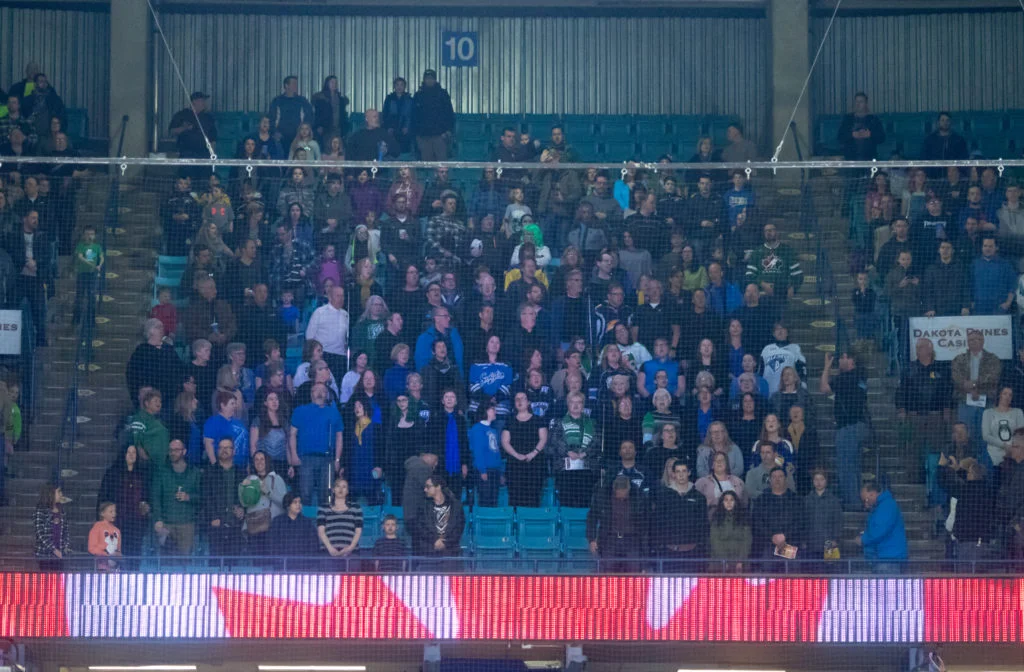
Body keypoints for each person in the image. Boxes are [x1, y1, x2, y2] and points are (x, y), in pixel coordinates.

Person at [819, 351, 868, 510]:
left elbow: (824, 388)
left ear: (852, 361)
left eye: (843, 357)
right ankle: (857, 500)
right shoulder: (859, 377)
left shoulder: (847, 378)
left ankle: (852, 502)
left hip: (848, 427)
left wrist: (826, 366)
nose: (840, 360)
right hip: (859, 425)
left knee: (846, 465)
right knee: (853, 465)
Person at [289, 383, 344, 508]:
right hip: (305, 458)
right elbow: (292, 434)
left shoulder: (334, 413)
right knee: (305, 493)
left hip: (328, 459)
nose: (319, 393)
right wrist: (293, 455)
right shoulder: (300, 411)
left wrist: (337, 459)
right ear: (311, 393)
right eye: (316, 390)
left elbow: (339, 436)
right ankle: (305, 525)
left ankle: (324, 525)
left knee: (327, 495)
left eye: (323, 391)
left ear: (327, 394)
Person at [937, 453, 994, 568]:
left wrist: (941, 467)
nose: (966, 474)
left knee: (967, 577)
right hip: (979, 540)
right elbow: (965, 483)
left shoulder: (966, 491)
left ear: (973, 474)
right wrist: (958, 469)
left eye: (968, 472)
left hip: (969, 542)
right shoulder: (986, 490)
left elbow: (945, 484)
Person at [651, 458, 708, 570]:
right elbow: (658, 522)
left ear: (689, 473)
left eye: (684, 471)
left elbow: (703, 523)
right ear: (673, 474)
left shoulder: (699, 497)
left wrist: (700, 546)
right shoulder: (663, 496)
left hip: (692, 553)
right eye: (678, 471)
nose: (681, 475)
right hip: (669, 553)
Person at [951, 330, 1002, 456]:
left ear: (983, 341)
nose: (974, 342)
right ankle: (966, 465)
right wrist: (970, 388)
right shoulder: (959, 359)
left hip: (986, 401)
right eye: (971, 340)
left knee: (986, 434)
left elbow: (993, 377)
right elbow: (956, 377)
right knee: (964, 435)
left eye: (977, 339)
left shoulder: (993, 359)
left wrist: (974, 386)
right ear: (967, 342)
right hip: (965, 401)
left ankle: (984, 467)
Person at [97, 444, 151, 563]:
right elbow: (103, 498)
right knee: (116, 557)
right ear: (123, 454)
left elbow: (147, 498)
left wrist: (146, 507)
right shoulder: (113, 473)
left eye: (134, 452)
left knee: (134, 556)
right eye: (128, 452)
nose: (131, 455)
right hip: (117, 523)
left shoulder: (142, 474)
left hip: (136, 525)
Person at [586, 475, 648, 572]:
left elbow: (645, 522)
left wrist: (644, 544)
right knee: (609, 569)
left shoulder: (638, 497)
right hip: (610, 539)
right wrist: (592, 539)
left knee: (634, 569)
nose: (622, 496)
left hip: (632, 539)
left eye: (625, 493)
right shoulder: (603, 497)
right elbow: (592, 518)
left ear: (628, 489)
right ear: (614, 490)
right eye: (619, 493)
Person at [151, 440, 201, 557]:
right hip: (166, 524)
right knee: (166, 562)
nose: (173, 453)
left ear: (184, 451)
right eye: (171, 450)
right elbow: (156, 497)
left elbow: (202, 497)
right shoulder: (161, 472)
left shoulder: (195, 472)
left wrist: (189, 497)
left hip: (187, 524)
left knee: (185, 563)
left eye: (176, 450)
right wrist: (158, 519)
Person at [125, 318, 184, 412]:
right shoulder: (141, 351)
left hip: (170, 395)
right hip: (151, 396)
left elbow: (180, 369)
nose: (162, 329)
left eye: (162, 327)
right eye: (158, 327)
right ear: (150, 331)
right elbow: (132, 374)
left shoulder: (168, 349)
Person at [502, 391, 548, 507]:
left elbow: (543, 438)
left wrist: (532, 454)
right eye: (517, 399)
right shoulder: (509, 420)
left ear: (529, 402)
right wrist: (517, 455)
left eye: (523, 398)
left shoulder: (538, 419)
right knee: (515, 499)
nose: (519, 401)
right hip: (515, 466)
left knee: (533, 498)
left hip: (535, 465)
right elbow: (505, 441)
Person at [201, 438, 246, 557]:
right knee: (216, 564)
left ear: (234, 451)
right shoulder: (209, 472)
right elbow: (206, 496)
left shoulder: (241, 472)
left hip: (235, 525)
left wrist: (242, 510)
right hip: (216, 524)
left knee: (234, 564)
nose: (224, 450)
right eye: (221, 447)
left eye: (227, 447)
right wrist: (213, 517)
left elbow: (246, 497)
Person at [752, 466, 804, 561]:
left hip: (790, 544)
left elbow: (800, 522)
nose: (777, 479)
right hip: (767, 545)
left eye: (780, 476)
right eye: (774, 477)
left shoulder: (796, 499)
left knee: (793, 572)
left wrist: (785, 536)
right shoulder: (761, 500)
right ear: (770, 479)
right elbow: (757, 522)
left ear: (785, 478)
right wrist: (772, 536)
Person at [857, 480, 908, 573]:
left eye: (866, 499)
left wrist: (863, 539)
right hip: (884, 557)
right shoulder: (881, 506)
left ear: (872, 494)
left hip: (887, 558)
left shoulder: (886, 506)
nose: (865, 504)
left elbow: (880, 530)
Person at [413, 474, 465, 560]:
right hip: (428, 552)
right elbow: (420, 528)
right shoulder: (423, 506)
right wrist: (435, 541)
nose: (425, 489)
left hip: (451, 552)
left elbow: (459, 528)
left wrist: (446, 543)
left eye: (428, 486)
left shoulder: (456, 506)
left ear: (438, 487)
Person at [305, 285, 349, 376]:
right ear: (330, 297)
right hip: (324, 355)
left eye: (342, 296)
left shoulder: (346, 315)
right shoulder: (319, 312)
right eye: (338, 296)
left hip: (340, 357)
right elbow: (309, 336)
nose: (341, 299)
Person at [411, 69, 454, 161]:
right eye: (427, 78)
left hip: (440, 135)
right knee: (426, 165)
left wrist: (448, 130)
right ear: (424, 80)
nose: (429, 80)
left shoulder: (442, 94)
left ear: (435, 80)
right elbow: (414, 116)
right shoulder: (418, 95)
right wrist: (417, 134)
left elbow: (449, 113)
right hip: (423, 136)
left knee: (442, 166)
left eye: (431, 78)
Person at [317, 477, 363, 561]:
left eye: (344, 486)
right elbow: (321, 531)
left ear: (347, 491)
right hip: (327, 552)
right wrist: (330, 549)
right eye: (338, 486)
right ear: (333, 490)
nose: (341, 489)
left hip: (351, 553)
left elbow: (358, 531)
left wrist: (350, 548)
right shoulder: (323, 508)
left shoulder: (356, 508)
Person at [469, 399, 504, 506]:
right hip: (485, 470)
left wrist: (501, 472)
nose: (495, 412)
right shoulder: (477, 429)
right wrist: (482, 470)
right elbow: (478, 451)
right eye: (493, 409)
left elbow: (497, 453)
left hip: (494, 470)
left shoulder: (493, 430)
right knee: (485, 500)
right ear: (486, 411)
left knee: (494, 501)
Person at [804, 469, 843, 564]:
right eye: (816, 479)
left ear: (826, 481)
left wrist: (835, 539)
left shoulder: (834, 500)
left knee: (828, 570)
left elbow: (838, 521)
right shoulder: (806, 500)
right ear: (813, 481)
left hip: (829, 542)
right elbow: (803, 522)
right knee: (812, 572)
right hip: (811, 542)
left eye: (821, 479)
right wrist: (804, 540)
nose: (818, 482)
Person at [708, 490, 752, 571]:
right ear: (722, 502)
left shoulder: (743, 519)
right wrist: (724, 560)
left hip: (740, 562)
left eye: (731, 500)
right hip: (719, 562)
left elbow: (747, 541)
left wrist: (741, 560)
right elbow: (714, 541)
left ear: (736, 502)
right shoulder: (716, 519)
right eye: (726, 500)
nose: (729, 502)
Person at [169, 92, 217, 164]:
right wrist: (185, 128)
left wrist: (212, 154)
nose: (205, 103)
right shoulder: (182, 115)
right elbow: (171, 131)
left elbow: (213, 138)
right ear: (194, 101)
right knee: (187, 174)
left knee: (204, 175)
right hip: (187, 154)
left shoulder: (208, 118)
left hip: (204, 155)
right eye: (202, 100)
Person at [837, 92, 886, 161]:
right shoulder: (847, 119)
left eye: (861, 102)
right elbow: (840, 137)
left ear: (866, 104)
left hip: (869, 158)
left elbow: (882, 138)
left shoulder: (873, 119)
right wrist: (852, 135)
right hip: (850, 159)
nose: (858, 104)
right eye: (856, 102)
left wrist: (870, 135)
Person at [269, 493, 320, 558]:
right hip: (282, 563)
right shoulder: (277, 522)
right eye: (295, 502)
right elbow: (272, 544)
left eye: (299, 502)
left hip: (303, 564)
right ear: (288, 505)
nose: (298, 504)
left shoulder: (307, 523)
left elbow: (314, 545)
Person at [269, 76, 314, 148]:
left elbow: (309, 117)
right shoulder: (277, 101)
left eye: (296, 84)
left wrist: (304, 133)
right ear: (286, 85)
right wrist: (274, 132)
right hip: (281, 137)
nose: (296, 86)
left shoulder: (302, 101)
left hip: (299, 137)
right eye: (294, 84)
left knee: (306, 150)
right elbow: (271, 118)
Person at [34, 483, 70, 571]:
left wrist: (65, 546)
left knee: (58, 579)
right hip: (45, 554)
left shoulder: (62, 510)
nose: (61, 494)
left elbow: (66, 530)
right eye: (59, 492)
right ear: (51, 493)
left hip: (60, 553)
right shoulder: (41, 510)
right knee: (46, 579)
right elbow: (40, 533)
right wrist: (53, 549)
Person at [382, 77, 414, 154]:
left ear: (404, 87)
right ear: (394, 86)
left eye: (401, 85)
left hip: (404, 130)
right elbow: (385, 114)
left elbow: (411, 115)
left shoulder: (409, 99)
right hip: (392, 130)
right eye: (397, 85)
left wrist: (407, 127)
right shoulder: (389, 99)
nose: (399, 87)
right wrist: (389, 127)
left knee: (404, 152)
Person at [88, 502, 122, 571]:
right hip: (101, 567)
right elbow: (91, 548)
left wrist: (118, 555)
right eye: (111, 511)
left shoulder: (117, 530)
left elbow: (118, 550)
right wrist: (106, 555)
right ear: (102, 513)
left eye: (114, 511)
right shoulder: (98, 526)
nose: (114, 514)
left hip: (115, 568)